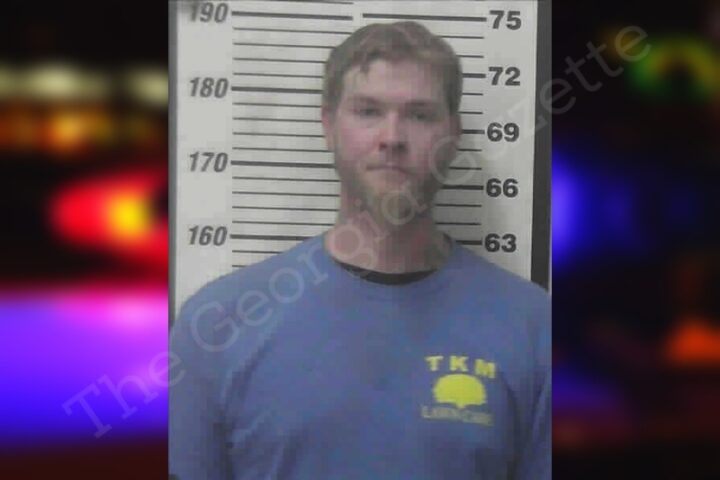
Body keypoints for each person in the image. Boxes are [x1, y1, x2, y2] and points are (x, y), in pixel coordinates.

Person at [170, 21, 550, 480]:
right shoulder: (217, 325)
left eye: (420, 115)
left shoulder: (534, 328)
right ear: (329, 125)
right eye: (368, 111)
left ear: (453, 133)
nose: (392, 137)